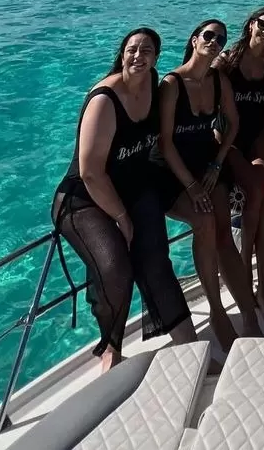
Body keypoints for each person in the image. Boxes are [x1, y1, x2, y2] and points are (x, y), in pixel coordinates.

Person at [51, 28, 196, 370]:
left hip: (133, 189)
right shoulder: (105, 98)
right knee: (116, 268)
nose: (138, 55)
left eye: (147, 50)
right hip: (85, 198)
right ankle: (110, 349)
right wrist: (121, 217)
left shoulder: (153, 87)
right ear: (122, 53)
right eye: (132, 49)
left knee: (156, 261)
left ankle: (191, 347)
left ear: (156, 58)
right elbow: (90, 172)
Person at [152, 19, 263, 350]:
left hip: (207, 164)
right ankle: (217, 312)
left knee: (224, 235)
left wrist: (217, 162)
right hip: (172, 172)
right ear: (194, 38)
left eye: (221, 38)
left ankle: (250, 317)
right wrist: (190, 185)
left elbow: (233, 124)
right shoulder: (172, 84)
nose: (215, 41)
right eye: (209, 36)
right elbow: (165, 142)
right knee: (204, 223)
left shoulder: (217, 80)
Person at [217, 7, 264, 322]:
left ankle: (261, 287)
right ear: (251, 25)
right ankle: (247, 279)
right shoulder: (228, 62)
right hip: (227, 142)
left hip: (257, 139)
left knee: (258, 197)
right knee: (254, 201)